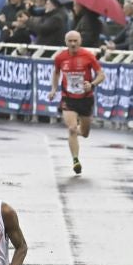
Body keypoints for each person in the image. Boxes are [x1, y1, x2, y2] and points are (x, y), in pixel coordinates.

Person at [50, 30, 104, 176]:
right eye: (70, 41)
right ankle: (75, 160)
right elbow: (56, 73)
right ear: (66, 42)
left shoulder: (88, 56)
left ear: (80, 41)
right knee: (72, 128)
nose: (73, 44)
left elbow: (101, 74)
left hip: (86, 98)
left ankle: (80, 132)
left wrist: (92, 84)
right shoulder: (60, 57)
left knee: (85, 133)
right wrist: (54, 89)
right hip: (68, 98)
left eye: (75, 41)